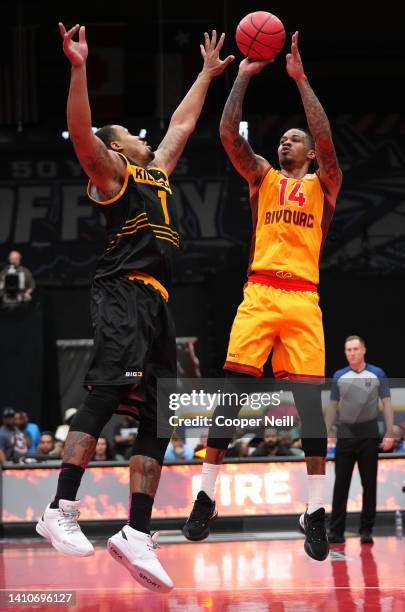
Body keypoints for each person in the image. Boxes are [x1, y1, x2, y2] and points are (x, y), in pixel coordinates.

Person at [36, 22, 234, 594]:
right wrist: (77, 70)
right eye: (131, 134)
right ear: (119, 146)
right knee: (103, 393)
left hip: (159, 303)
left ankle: (136, 532)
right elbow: (81, 136)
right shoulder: (113, 172)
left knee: (158, 419)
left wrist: (204, 74)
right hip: (122, 290)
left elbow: (181, 124)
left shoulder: (157, 173)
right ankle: (60, 507)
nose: (145, 137)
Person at [183, 31, 342, 563]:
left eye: (294, 139)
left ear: (310, 152)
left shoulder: (325, 183)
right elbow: (230, 135)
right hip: (260, 292)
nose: (285, 143)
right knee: (232, 394)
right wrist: (243, 78)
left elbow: (325, 138)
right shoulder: (263, 178)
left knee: (310, 413)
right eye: (282, 139)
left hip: (303, 300)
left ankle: (314, 512)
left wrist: (300, 81)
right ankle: (206, 495)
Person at [325, 335, 394, 544]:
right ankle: (336, 532)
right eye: (348, 350)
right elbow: (332, 406)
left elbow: (387, 404)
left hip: (369, 434)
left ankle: (366, 530)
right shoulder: (339, 375)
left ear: (363, 349)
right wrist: (328, 432)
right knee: (341, 485)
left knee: (369, 484)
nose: (352, 353)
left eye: (355, 349)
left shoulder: (377, 373)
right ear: (345, 352)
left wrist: (390, 431)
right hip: (345, 434)